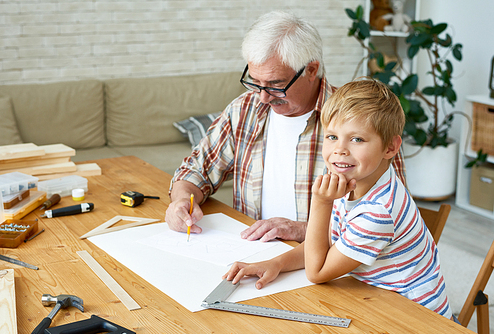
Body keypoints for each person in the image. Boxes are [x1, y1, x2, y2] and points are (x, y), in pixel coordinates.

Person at [166, 11, 406, 243]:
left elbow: (391, 213)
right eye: (255, 82)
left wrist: (301, 230)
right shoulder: (244, 110)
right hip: (252, 252)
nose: (263, 97)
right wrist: (181, 201)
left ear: (311, 70)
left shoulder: (362, 122)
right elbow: (197, 170)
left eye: (275, 84)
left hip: (330, 265)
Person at [223, 79, 454, 320]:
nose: (340, 150)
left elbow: (317, 270)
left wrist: (321, 203)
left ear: (390, 148)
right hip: (375, 299)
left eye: (357, 139)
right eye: (332, 136)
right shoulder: (356, 178)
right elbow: (326, 246)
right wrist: (277, 263)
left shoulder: (378, 211)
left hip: (414, 318)